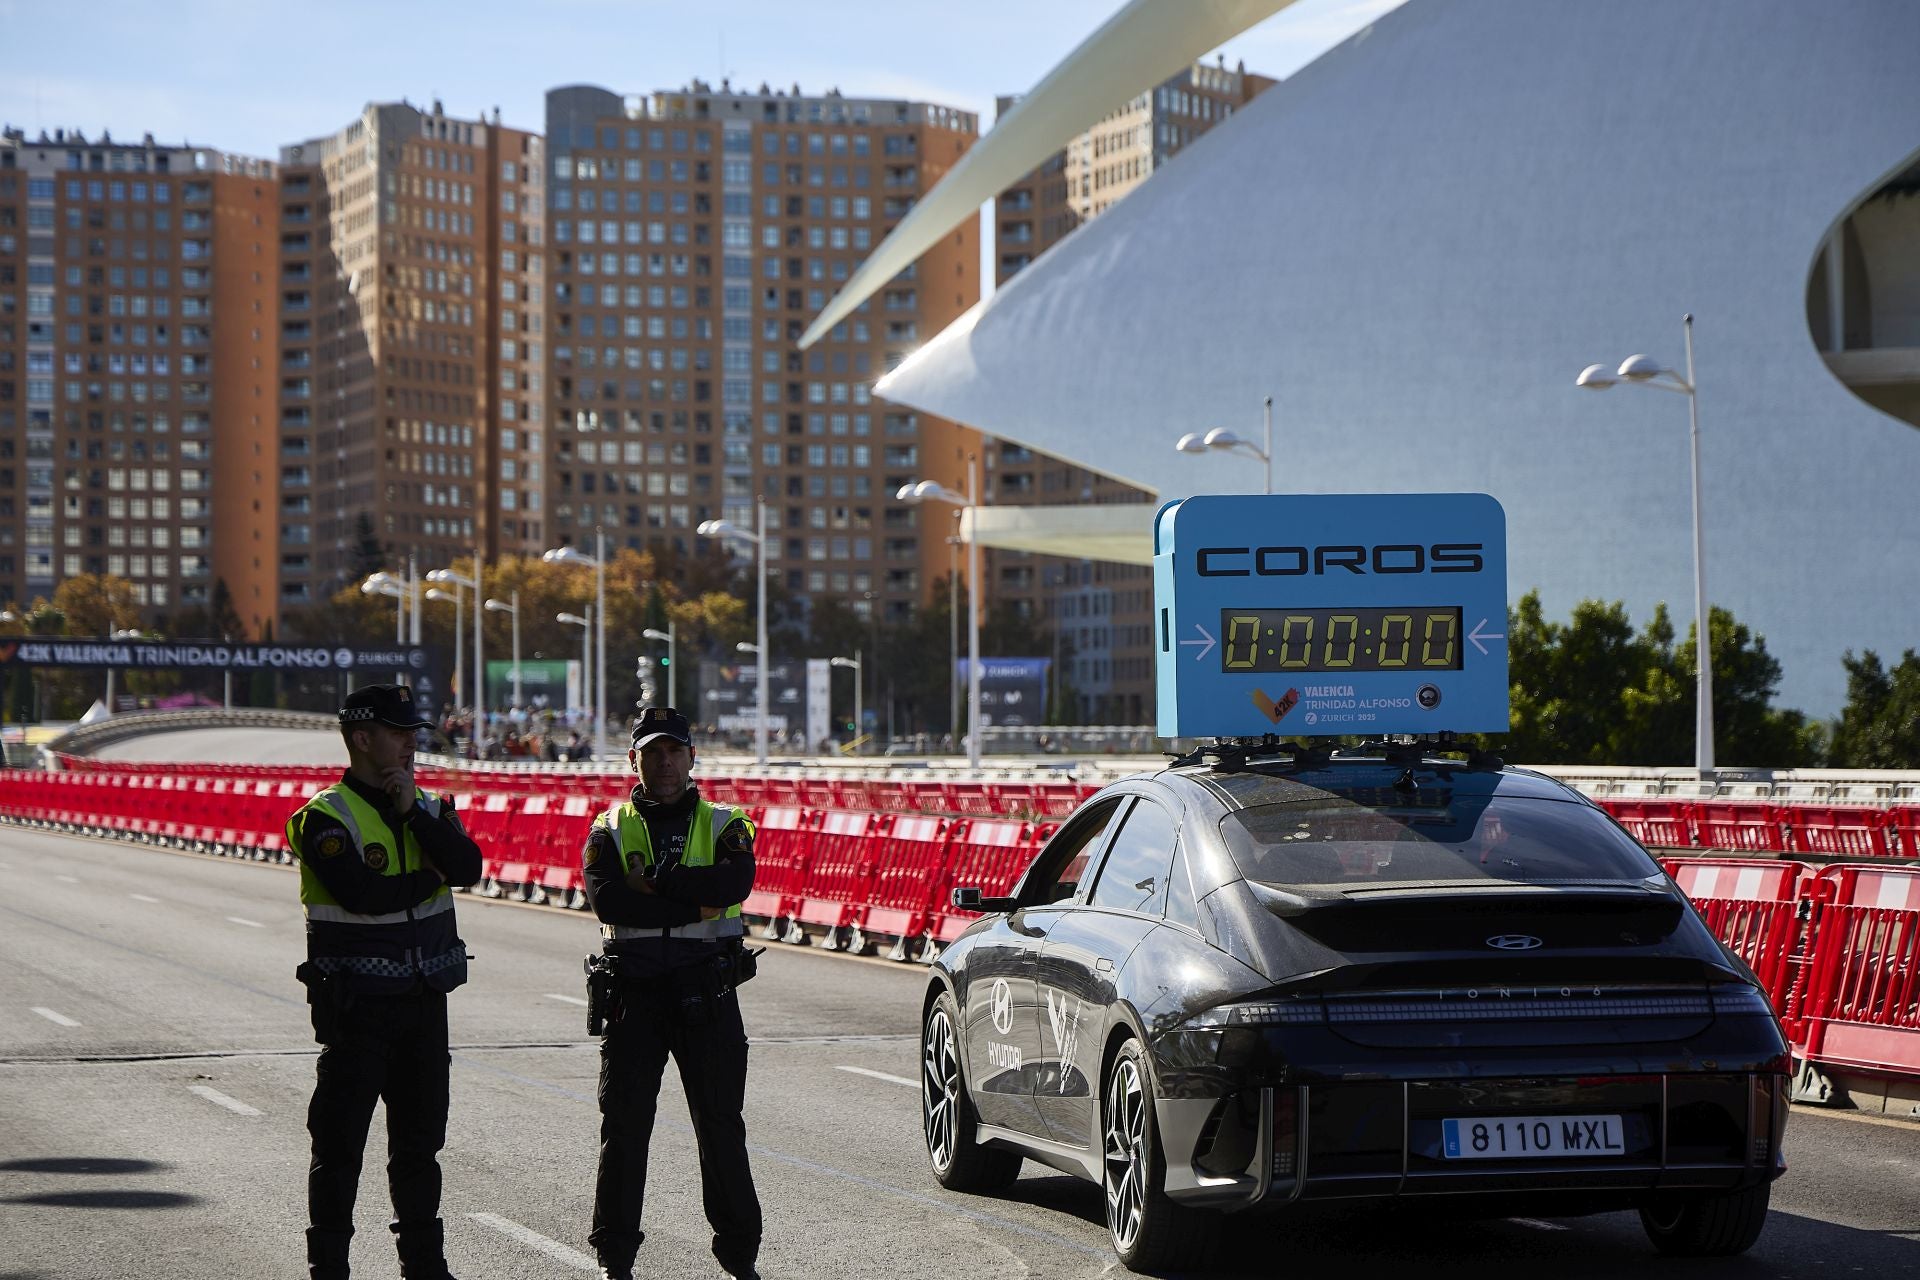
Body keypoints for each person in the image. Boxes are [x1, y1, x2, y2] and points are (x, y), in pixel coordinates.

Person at [289, 683, 484, 1280]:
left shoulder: (426, 808)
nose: (411, 745)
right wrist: (429, 876)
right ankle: (330, 1267)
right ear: (362, 739)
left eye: (413, 734)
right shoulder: (323, 817)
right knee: (340, 1146)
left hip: (424, 1004)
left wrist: (413, 820)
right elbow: (364, 895)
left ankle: (425, 1266)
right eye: (399, 734)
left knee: (420, 1148)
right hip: (358, 1008)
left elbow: (470, 868)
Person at [582, 706, 762, 1280]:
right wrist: (693, 896)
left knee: (721, 1129)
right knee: (625, 1130)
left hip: (706, 997)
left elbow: (734, 884)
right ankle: (616, 1257)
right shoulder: (606, 828)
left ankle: (738, 1256)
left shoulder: (727, 823)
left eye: (674, 751)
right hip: (634, 1000)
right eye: (652, 752)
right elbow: (612, 903)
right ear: (633, 760)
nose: (664, 762)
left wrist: (658, 883)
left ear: (691, 757)